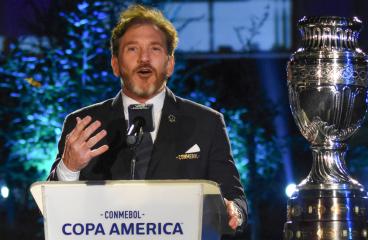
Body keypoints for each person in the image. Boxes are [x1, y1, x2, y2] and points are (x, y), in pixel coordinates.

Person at [48, 4, 247, 232]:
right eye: (132, 49)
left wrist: (234, 212)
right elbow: (54, 213)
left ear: (170, 64)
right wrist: (69, 169)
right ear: (115, 64)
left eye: (154, 49)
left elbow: (236, 200)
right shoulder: (83, 124)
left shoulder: (207, 123)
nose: (144, 58)